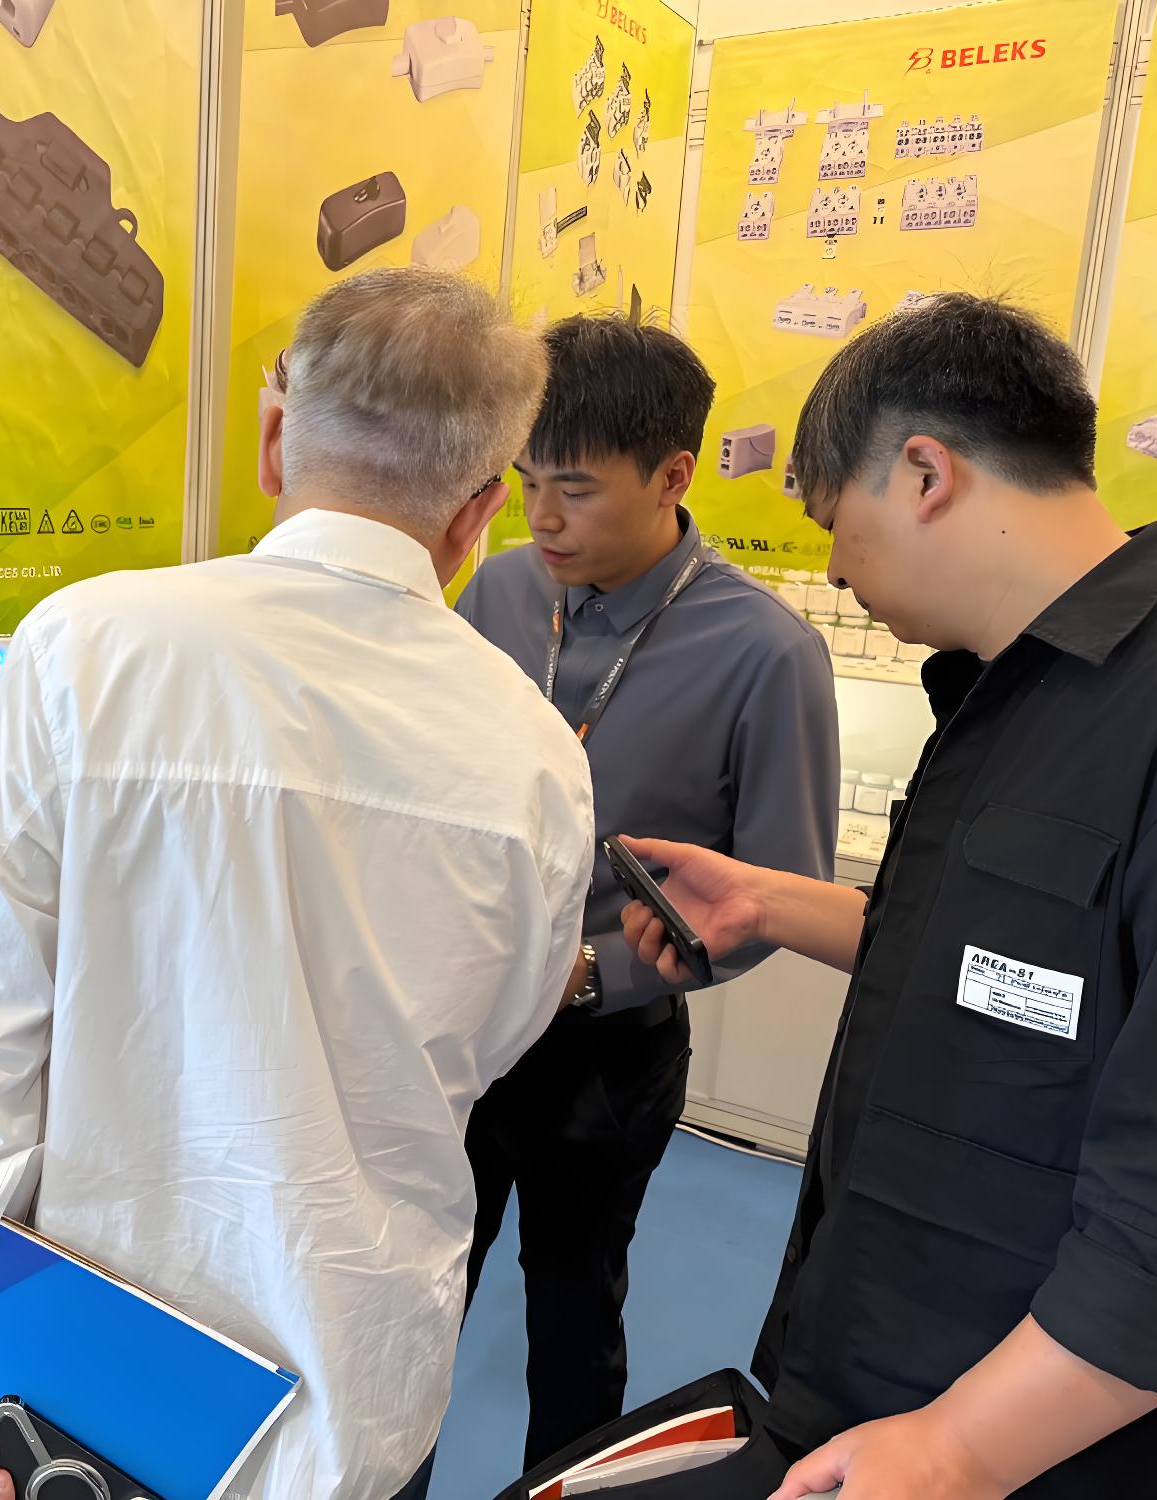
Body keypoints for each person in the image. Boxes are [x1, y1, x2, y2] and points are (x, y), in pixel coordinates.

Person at [0, 267, 599, 1499]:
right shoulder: (532, 751)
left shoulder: (85, 648)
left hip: (72, 1382)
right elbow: (500, 1033)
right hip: (352, 1378)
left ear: (271, 438)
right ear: (480, 511)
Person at [617, 293, 1157, 1499]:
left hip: (1049, 1439)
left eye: (832, 523)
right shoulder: (1004, 691)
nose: (830, 568)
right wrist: (767, 905)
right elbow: (1012, 963)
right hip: (882, 1362)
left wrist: (964, 1445)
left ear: (922, 474)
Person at [406, 315, 838, 1489]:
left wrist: (592, 972)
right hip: (455, 1030)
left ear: (671, 476)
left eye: (575, 490)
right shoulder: (496, 591)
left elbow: (775, 899)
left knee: (570, 1320)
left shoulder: (765, 654)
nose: (539, 518)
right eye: (523, 483)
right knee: (409, 1304)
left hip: (604, 1055)